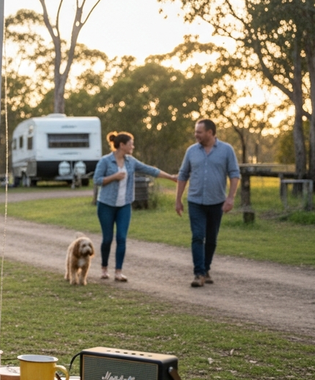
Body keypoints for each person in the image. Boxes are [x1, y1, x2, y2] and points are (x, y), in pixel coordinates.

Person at [93, 131, 178, 281]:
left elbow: (150, 170)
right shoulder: (105, 161)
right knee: (107, 239)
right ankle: (104, 269)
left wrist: (171, 177)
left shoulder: (131, 162)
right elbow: (97, 180)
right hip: (106, 204)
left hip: (124, 205)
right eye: (131, 143)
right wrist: (114, 177)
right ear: (122, 145)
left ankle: (118, 272)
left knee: (122, 238)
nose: (133, 146)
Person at [175, 119, 241, 287]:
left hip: (217, 202)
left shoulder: (226, 150)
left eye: (199, 132)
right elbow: (183, 175)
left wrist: (231, 198)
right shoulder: (191, 151)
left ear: (210, 132)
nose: (196, 135)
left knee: (211, 239)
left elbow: (234, 174)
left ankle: (206, 269)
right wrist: (178, 200)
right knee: (197, 236)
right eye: (196, 131)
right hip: (195, 201)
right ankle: (199, 274)